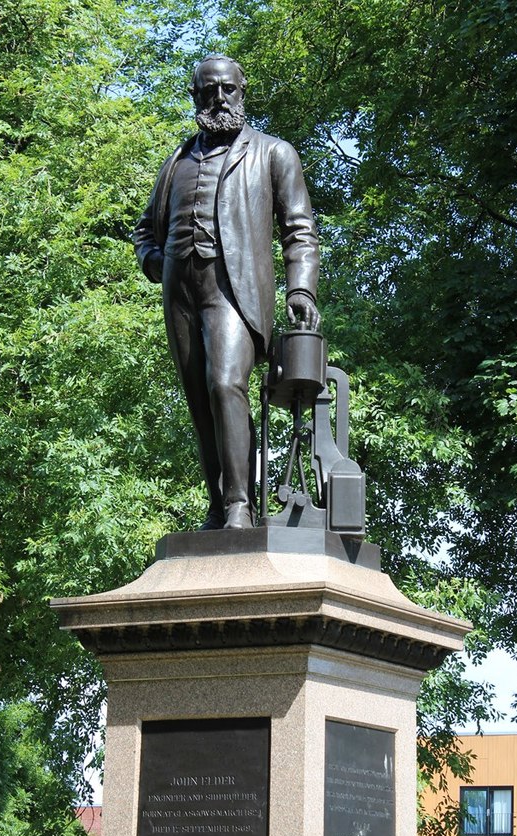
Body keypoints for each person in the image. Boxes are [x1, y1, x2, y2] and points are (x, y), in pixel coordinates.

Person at [133, 54, 320, 530]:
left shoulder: (273, 153)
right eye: (206, 92)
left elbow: (299, 230)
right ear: (195, 96)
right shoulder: (177, 159)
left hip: (233, 288)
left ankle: (240, 504)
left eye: (226, 90)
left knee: (225, 385)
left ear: (242, 91)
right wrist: (154, 260)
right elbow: (144, 229)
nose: (217, 99)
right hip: (179, 289)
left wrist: (302, 289)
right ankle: (218, 507)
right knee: (199, 399)